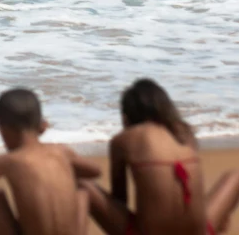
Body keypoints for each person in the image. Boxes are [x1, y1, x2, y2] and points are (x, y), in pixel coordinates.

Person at [82, 78, 239, 235]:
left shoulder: (125, 139)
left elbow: (119, 202)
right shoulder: (185, 133)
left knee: (83, 184)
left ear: (126, 117)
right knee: (234, 177)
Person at [0, 88, 101, 235]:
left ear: (2, 129)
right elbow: (95, 171)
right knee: (82, 189)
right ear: (43, 125)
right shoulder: (61, 151)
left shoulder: (10, 160)